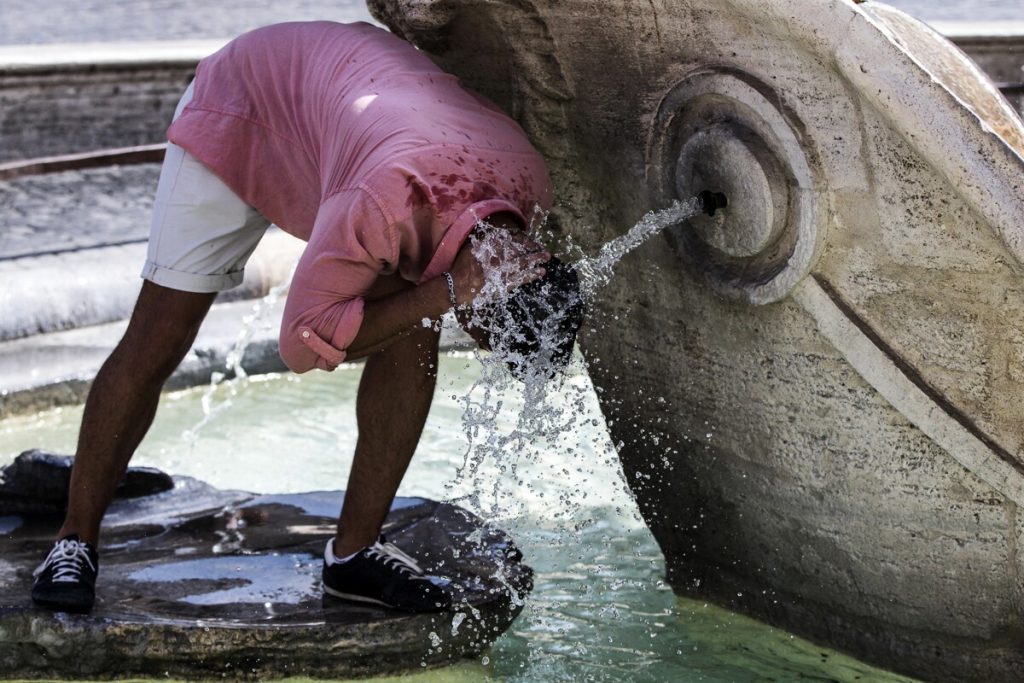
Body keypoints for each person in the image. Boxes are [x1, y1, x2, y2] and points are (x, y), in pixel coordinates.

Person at [29, 21, 581, 614]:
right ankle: (73, 541)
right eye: (483, 339)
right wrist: (440, 294)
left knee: (412, 325)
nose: (476, 345)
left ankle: (353, 555)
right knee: (161, 334)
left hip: (365, 133)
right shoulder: (380, 201)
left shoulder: (530, 191)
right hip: (246, 105)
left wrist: (435, 298)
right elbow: (299, 345)